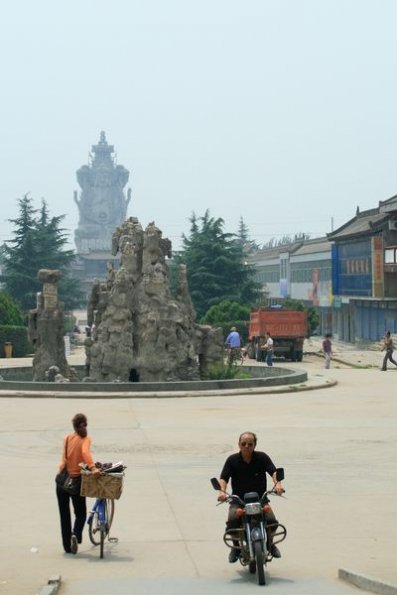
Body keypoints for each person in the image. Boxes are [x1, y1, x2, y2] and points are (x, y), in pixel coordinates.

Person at [217, 431, 285, 563]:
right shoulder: (232, 460)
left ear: (255, 445)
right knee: (232, 521)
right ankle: (236, 547)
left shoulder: (262, 457)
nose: (246, 446)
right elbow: (224, 478)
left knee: (271, 520)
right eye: (243, 443)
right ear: (239, 445)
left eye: (250, 444)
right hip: (239, 501)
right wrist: (222, 492)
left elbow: (274, 471)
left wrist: (278, 484)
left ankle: (270, 544)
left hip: (260, 499)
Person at [56, 413, 100, 554]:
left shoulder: (67, 438)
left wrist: (59, 472)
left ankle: (67, 548)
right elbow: (85, 452)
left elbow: (63, 461)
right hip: (76, 483)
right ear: (85, 424)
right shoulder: (85, 439)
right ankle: (76, 534)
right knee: (80, 513)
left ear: (73, 426)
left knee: (64, 515)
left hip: (62, 483)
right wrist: (93, 468)